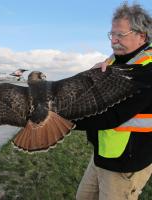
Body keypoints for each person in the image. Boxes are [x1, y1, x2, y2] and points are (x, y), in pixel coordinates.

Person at [75, 3, 152, 200]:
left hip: (127, 163)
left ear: (141, 36)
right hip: (103, 154)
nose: (113, 41)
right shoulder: (116, 61)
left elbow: (112, 115)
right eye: (112, 35)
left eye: (120, 35)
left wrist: (60, 121)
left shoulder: (147, 70)